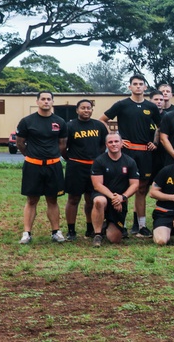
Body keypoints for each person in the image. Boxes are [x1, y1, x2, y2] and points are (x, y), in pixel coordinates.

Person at [101, 75, 161, 237]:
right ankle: (121, 224)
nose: (138, 87)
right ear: (129, 87)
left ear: (145, 87)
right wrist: (116, 138)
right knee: (122, 188)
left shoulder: (151, 106)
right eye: (135, 84)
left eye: (141, 84)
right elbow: (102, 120)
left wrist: (155, 142)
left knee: (141, 189)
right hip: (126, 153)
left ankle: (141, 226)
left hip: (145, 153)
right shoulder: (122, 105)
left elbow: (161, 127)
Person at [16, 91, 69, 244]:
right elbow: (20, 143)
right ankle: (27, 233)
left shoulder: (60, 122)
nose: (46, 102)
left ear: (53, 102)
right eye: (43, 99)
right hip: (33, 166)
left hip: (53, 166)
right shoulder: (27, 121)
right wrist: (32, 156)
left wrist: (51, 156)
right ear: (37, 101)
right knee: (32, 200)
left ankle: (56, 232)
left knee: (52, 199)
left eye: (49, 99)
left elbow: (62, 144)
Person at [63, 98, 107, 240]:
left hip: (94, 167)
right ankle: (71, 230)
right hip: (76, 166)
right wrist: (70, 158)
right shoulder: (70, 126)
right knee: (73, 199)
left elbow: (102, 145)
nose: (86, 110)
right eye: (83, 108)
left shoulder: (98, 125)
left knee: (90, 199)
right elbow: (63, 147)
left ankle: (90, 228)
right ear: (77, 110)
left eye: (88, 108)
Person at [89, 132, 140, 247]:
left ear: (122, 143)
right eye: (110, 142)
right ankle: (98, 234)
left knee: (115, 239)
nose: (114, 144)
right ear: (106, 145)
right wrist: (114, 197)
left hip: (120, 200)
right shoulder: (99, 161)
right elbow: (97, 185)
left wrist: (123, 197)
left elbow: (135, 185)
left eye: (116, 141)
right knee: (99, 201)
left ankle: (107, 224)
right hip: (103, 196)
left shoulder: (130, 162)